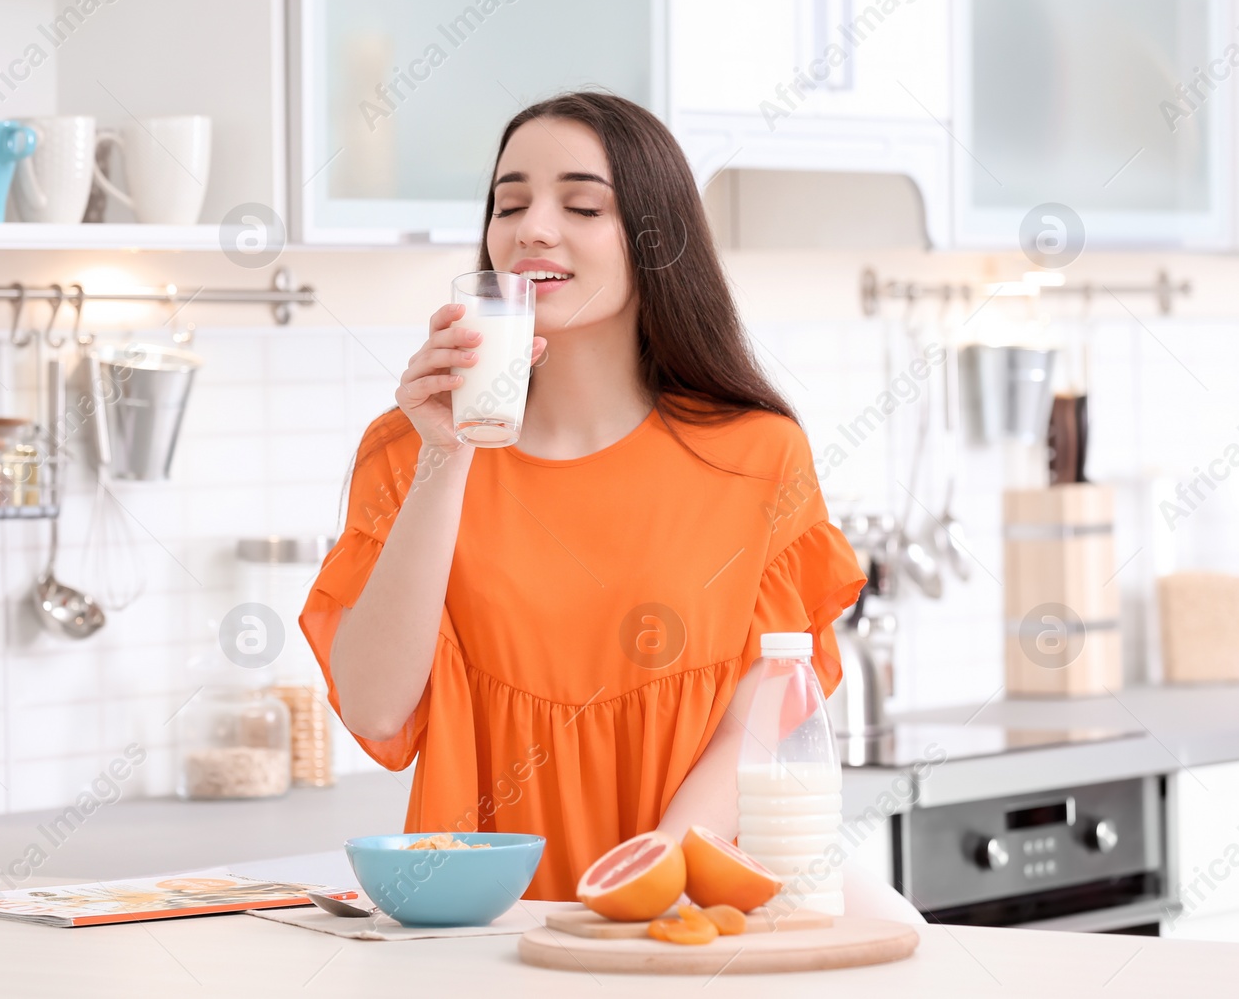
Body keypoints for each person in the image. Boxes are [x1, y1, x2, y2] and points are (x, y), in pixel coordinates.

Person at [299, 91, 866, 901]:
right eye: (510, 202)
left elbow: (759, 721)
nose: (531, 227)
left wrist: (649, 876)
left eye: (582, 203)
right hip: (475, 933)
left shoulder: (755, 453)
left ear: (654, 237)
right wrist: (447, 453)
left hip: (675, 922)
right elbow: (376, 706)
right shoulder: (408, 449)